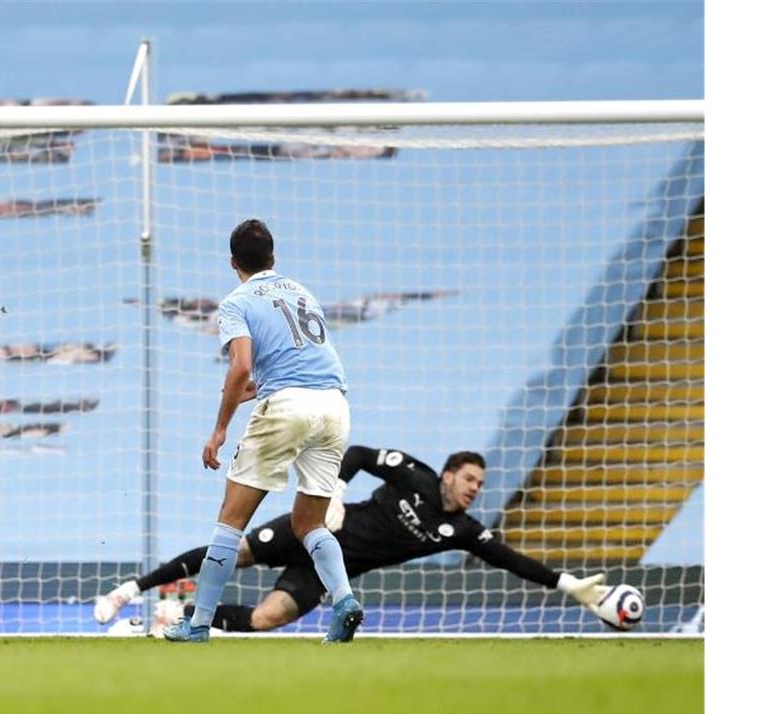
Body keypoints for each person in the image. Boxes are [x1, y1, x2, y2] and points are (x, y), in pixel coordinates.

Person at [97, 445, 609, 632]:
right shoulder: (415, 475)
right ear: (450, 474)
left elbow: (512, 560)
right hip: (310, 528)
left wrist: (569, 584)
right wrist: (336, 494)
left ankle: (169, 617)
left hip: (333, 571)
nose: (475, 489)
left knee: (266, 618)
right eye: (470, 479)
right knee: (231, 553)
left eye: (480, 484)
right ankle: (130, 589)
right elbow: (360, 453)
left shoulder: (465, 531)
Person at [163, 218, 360, 644]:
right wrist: (254, 390)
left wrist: (219, 430)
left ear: (233, 262)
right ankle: (344, 599)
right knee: (309, 522)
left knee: (230, 521)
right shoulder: (302, 292)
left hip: (288, 407)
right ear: (274, 258)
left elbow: (240, 368)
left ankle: (197, 624)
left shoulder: (237, 301)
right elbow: (296, 363)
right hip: (333, 405)